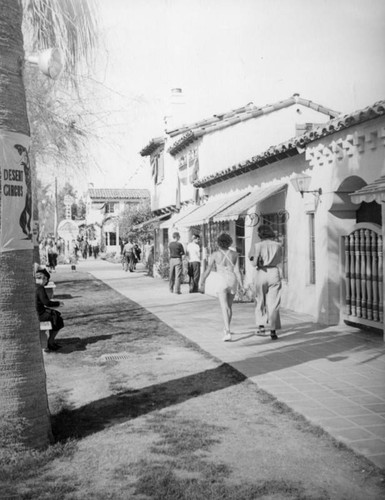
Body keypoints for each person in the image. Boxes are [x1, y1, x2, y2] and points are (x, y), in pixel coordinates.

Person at [200, 233, 243, 341]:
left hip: (221, 280)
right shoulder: (235, 254)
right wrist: (242, 285)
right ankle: (226, 328)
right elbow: (237, 271)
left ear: (219, 243)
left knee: (224, 307)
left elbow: (208, 270)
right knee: (229, 307)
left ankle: (227, 332)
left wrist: (202, 281)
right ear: (229, 242)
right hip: (232, 280)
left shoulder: (215, 254)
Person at [250, 224, 282, 340]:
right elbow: (280, 259)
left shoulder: (258, 245)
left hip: (261, 272)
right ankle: (273, 330)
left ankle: (261, 326)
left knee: (260, 300)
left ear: (260, 234)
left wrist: (253, 259)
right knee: (274, 302)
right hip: (274, 271)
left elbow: (254, 263)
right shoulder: (278, 245)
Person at [35, 268, 64, 352]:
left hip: (36, 312)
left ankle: (51, 342)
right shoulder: (40, 288)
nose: (45, 282)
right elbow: (46, 302)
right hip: (39, 314)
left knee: (55, 315)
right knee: (57, 318)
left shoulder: (33, 286)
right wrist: (58, 303)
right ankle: (50, 342)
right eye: (45, 279)